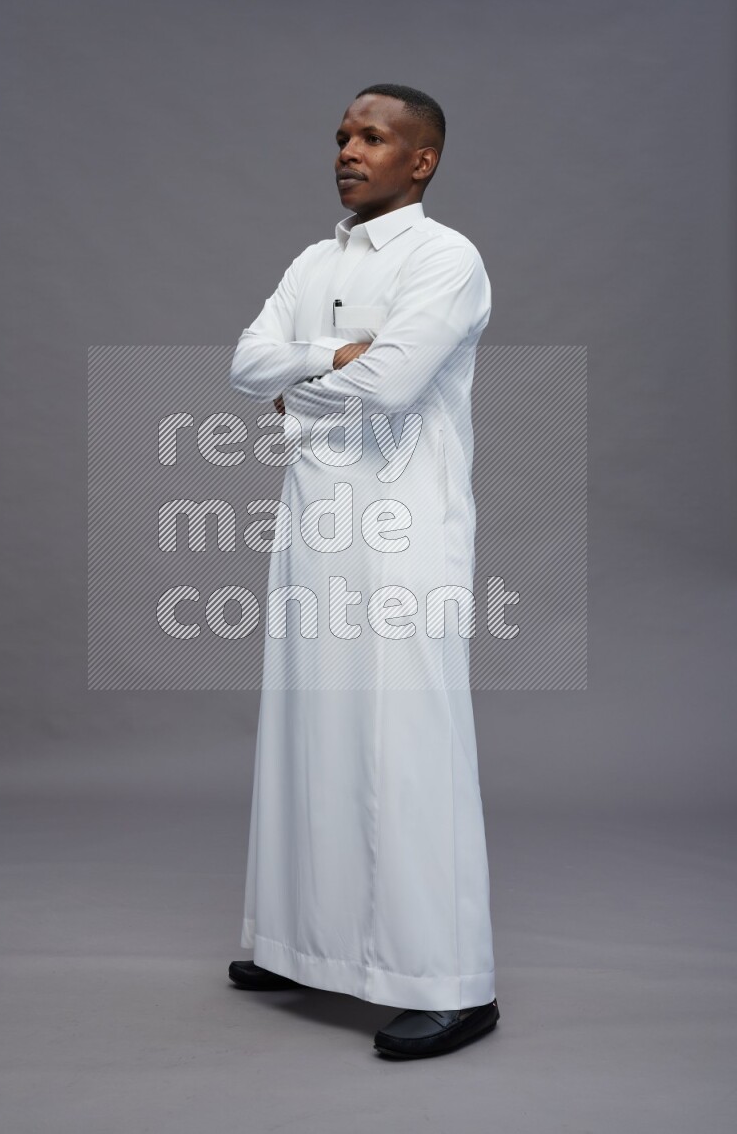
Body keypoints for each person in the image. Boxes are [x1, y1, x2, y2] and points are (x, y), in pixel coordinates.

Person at [227, 84, 499, 1059]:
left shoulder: (444, 258)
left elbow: (392, 380)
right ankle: (300, 945)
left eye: (372, 136)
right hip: (312, 530)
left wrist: (297, 405)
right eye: (343, 134)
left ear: (419, 160)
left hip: (401, 537)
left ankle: (449, 980)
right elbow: (246, 360)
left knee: (404, 749)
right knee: (307, 731)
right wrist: (320, 354)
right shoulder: (313, 259)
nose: (348, 148)